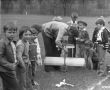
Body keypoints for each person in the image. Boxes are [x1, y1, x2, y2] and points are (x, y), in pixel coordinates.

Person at [0, 22, 20, 90]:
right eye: (9, 32)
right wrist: (10, 65)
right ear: (4, 32)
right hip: (5, 69)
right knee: (15, 87)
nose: (12, 34)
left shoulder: (13, 42)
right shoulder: (2, 43)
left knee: (7, 87)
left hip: (9, 68)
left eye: (14, 32)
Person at [16, 26, 33, 90]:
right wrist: (23, 65)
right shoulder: (20, 44)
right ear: (21, 35)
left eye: (29, 34)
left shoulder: (27, 42)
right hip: (21, 65)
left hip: (26, 63)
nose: (28, 36)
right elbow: (19, 56)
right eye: (26, 34)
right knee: (22, 80)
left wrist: (28, 61)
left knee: (26, 78)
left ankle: (28, 88)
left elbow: (26, 54)